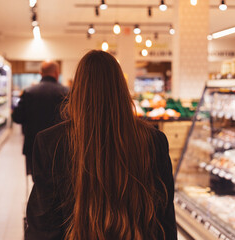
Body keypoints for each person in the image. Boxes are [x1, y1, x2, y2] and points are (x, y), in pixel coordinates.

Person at [25, 50, 177, 240]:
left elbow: (42, 225)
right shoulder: (153, 140)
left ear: (77, 90)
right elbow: (165, 219)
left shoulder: (50, 142)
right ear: (121, 89)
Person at [12, 60, 68, 175]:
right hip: (59, 147)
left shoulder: (28, 92)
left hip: (34, 147)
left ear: (40, 73)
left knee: (37, 182)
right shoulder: (66, 92)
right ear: (57, 73)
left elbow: (17, 117)